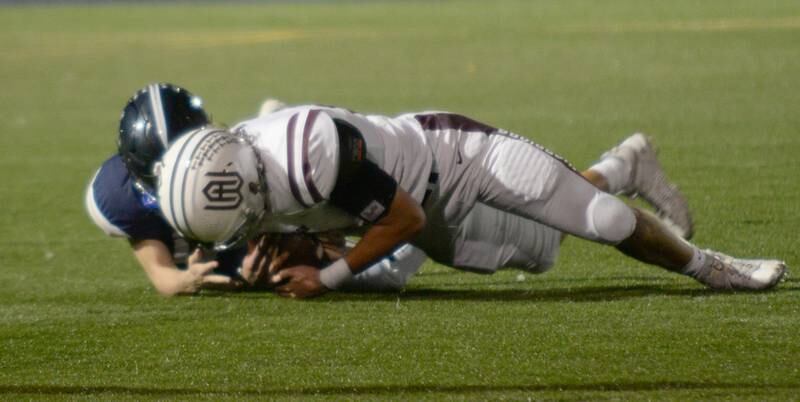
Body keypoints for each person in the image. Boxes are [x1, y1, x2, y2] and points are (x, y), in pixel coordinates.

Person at [156, 104, 788, 299]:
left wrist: (326, 273)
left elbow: (404, 219)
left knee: (604, 220)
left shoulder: (309, 154)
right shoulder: (228, 164)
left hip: (455, 158)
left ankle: (711, 267)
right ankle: (622, 165)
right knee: (542, 250)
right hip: (407, 204)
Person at [85, 84, 423, 295]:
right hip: (217, 254)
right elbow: (162, 275)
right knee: (283, 270)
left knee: (318, 255)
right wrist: (193, 278)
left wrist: (284, 233)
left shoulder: (220, 173)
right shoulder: (119, 195)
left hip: (244, 218)